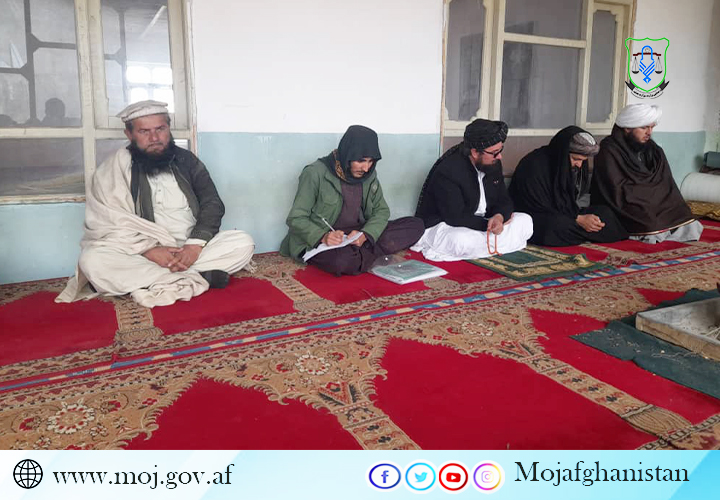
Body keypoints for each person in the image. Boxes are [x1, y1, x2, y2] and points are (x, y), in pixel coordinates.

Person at [57, 100, 255, 308]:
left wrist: (194, 246)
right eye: (144, 132)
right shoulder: (114, 168)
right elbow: (110, 222)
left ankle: (159, 278)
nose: (154, 138)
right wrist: (150, 251)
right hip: (141, 251)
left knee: (242, 243)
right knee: (92, 260)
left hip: (191, 248)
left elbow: (212, 203)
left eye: (160, 129)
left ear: (168, 128)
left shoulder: (187, 160)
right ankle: (195, 276)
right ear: (129, 134)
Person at [279, 125, 424, 275]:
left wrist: (365, 234)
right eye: (361, 161)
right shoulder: (315, 173)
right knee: (341, 261)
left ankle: (361, 253)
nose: (366, 168)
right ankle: (366, 253)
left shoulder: (369, 175)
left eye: (370, 161)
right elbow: (296, 218)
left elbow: (381, 211)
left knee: (416, 225)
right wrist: (323, 237)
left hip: (357, 233)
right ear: (347, 154)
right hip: (328, 238)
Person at [412, 119, 533, 261]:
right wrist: (488, 225)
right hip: (449, 225)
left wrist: (499, 217)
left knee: (525, 221)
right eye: (494, 153)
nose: (499, 156)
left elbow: (504, 200)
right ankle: (495, 244)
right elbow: (455, 217)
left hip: (484, 223)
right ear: (475, 152)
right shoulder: (449, 170)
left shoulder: (493, 164)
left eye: (500, 150)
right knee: (461, 240)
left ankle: (486, 245)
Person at [591, 103, 702, 243]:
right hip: (625, 200)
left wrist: (654, 195)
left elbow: (665, 182)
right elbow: (616, 187)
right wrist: (646, 194)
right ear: (627, 128)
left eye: (651, 127)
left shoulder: (653, 149)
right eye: (644, 128)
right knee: (649, 220)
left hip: (650, 197)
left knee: (683, 214)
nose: (649, 132)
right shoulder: (608, 149)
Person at [508, 126, 628, 246]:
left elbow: (567, 205)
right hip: (538, 218)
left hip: (567, 214)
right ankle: (587, 233)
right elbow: (537, 208)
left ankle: (581, 233)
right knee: (553, 226)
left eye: (583, 160)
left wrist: (578, 218)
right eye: (576, 159)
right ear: (563, 153)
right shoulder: (533, 165)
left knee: (605, 214)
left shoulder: (566, 166)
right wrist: (578, 219)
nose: (579, 165)